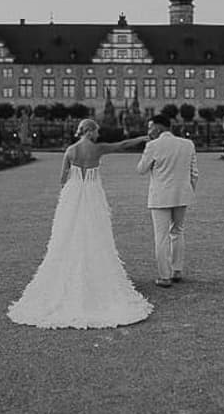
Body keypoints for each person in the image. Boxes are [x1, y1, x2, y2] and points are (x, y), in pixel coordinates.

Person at [8, 119, 151, 329]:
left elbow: (62, 177)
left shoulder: (70, 150)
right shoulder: (98, 149)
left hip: (73, 194)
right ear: (90, 131)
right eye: (96, 131)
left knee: (67, 233)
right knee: (96, 232)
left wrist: (72, 187)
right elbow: (122, 145)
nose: (98, 135)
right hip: (93, 194)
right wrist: (142, 138)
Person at [137, 114, 198, 288]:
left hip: (160, 196)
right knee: (178, 231)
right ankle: (177, 270)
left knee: (161, 236)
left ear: (157, 127)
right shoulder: (188, 144)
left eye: (150, 127)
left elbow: (141, 169)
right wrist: (188, 191)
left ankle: (165, 276)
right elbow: (195, 173)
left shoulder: (153, 146)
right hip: (182, 195)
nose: (149, 131)